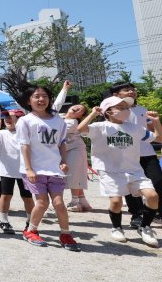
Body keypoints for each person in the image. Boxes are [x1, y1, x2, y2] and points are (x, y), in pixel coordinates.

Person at [77, 96, 161, 247]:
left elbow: (158, 138)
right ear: (108, 111)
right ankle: (116, 227)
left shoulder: (134, 128)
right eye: (121, 107)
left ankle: (145, 227)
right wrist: (93, 114)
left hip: (134, 170)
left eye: (126, 107)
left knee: (153, 196)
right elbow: (80, 129)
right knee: (116, 202)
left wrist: (156, 122)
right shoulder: (100, 127)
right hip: (110, 171)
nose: (126, 110)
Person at [16, 85, 80, 251]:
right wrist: (29, 169)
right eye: (36, 96)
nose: (41, 99)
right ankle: (31, 231)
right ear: (29, 100)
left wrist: (64, 161)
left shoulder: (59, 120)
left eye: (44, 96)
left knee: (59, 203)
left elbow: (62, 143)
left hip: (55, 169)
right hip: (35, 170)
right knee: (42, 202)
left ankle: (65, 233)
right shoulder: (25, 121)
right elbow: (24, 146)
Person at [110, 82, 162, 226]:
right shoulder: (112, 111)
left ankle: (156, 212)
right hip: (125, 155)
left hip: (147, 153)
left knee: (157, 183)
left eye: (133, 89)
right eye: (126, 90)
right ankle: (137, 215)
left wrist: (155, 121)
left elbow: (156, 135)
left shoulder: (143, 110)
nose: (131, 92)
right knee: (131, 187)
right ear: (116, 95)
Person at [52, 80, 93, 212]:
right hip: (65, 149)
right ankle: (82, 201)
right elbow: (56, 105)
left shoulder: (72, 122)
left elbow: (59, 128)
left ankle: (75, 202)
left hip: (75, 148)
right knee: (73, 173)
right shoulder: (60, 116)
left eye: (80, 110)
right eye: (77, 106)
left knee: (74, 174)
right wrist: (64, 89)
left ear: (81, 115)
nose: (77, 108)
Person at [0, 109, 35, 235]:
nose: (8, 119)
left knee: (27, 198)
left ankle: (30, 221)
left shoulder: (27, 133)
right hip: (7, 170)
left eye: (13, 117)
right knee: (6, 195)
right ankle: (4, 221)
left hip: (25, 171)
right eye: (6, 117)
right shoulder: (1, 133)